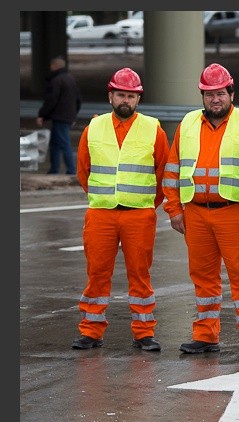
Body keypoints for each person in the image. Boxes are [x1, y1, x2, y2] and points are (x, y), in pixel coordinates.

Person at [163, 63, 239, 361]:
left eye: (220, 93)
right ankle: (205, 335)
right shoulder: (189, 123)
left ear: (231, 93)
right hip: (195, 211)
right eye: (209, 94)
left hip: (234, 212)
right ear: (202, 96)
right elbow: (172, 169)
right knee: (203, 277)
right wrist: (174, 209)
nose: (215, 99)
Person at [71, 67, 169, 351]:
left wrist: (148, 203)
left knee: (140, 274)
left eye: (131, 95)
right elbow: (83, 170)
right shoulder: (94, 128)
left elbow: (163, 171)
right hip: (101, 213)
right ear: (110, 96)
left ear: (138, 99)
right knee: (97, 273)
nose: (125, 100)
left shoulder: (153, 128)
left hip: (139, 213)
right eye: (120, 95)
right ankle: (91, 330)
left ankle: (144, 332)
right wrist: (103, 196)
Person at [36, 55, 81, 175]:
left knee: (64, 143)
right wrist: (73, 116)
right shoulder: (71, 79)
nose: (50, 67)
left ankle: (71, 170)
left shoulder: (56, 81)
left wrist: (42, 115)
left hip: (60, 117)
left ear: (55, 66)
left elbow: (51, 100)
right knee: (55, 144)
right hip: (67, 116)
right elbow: (78, 100)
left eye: (51, 65)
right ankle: (54, 169)